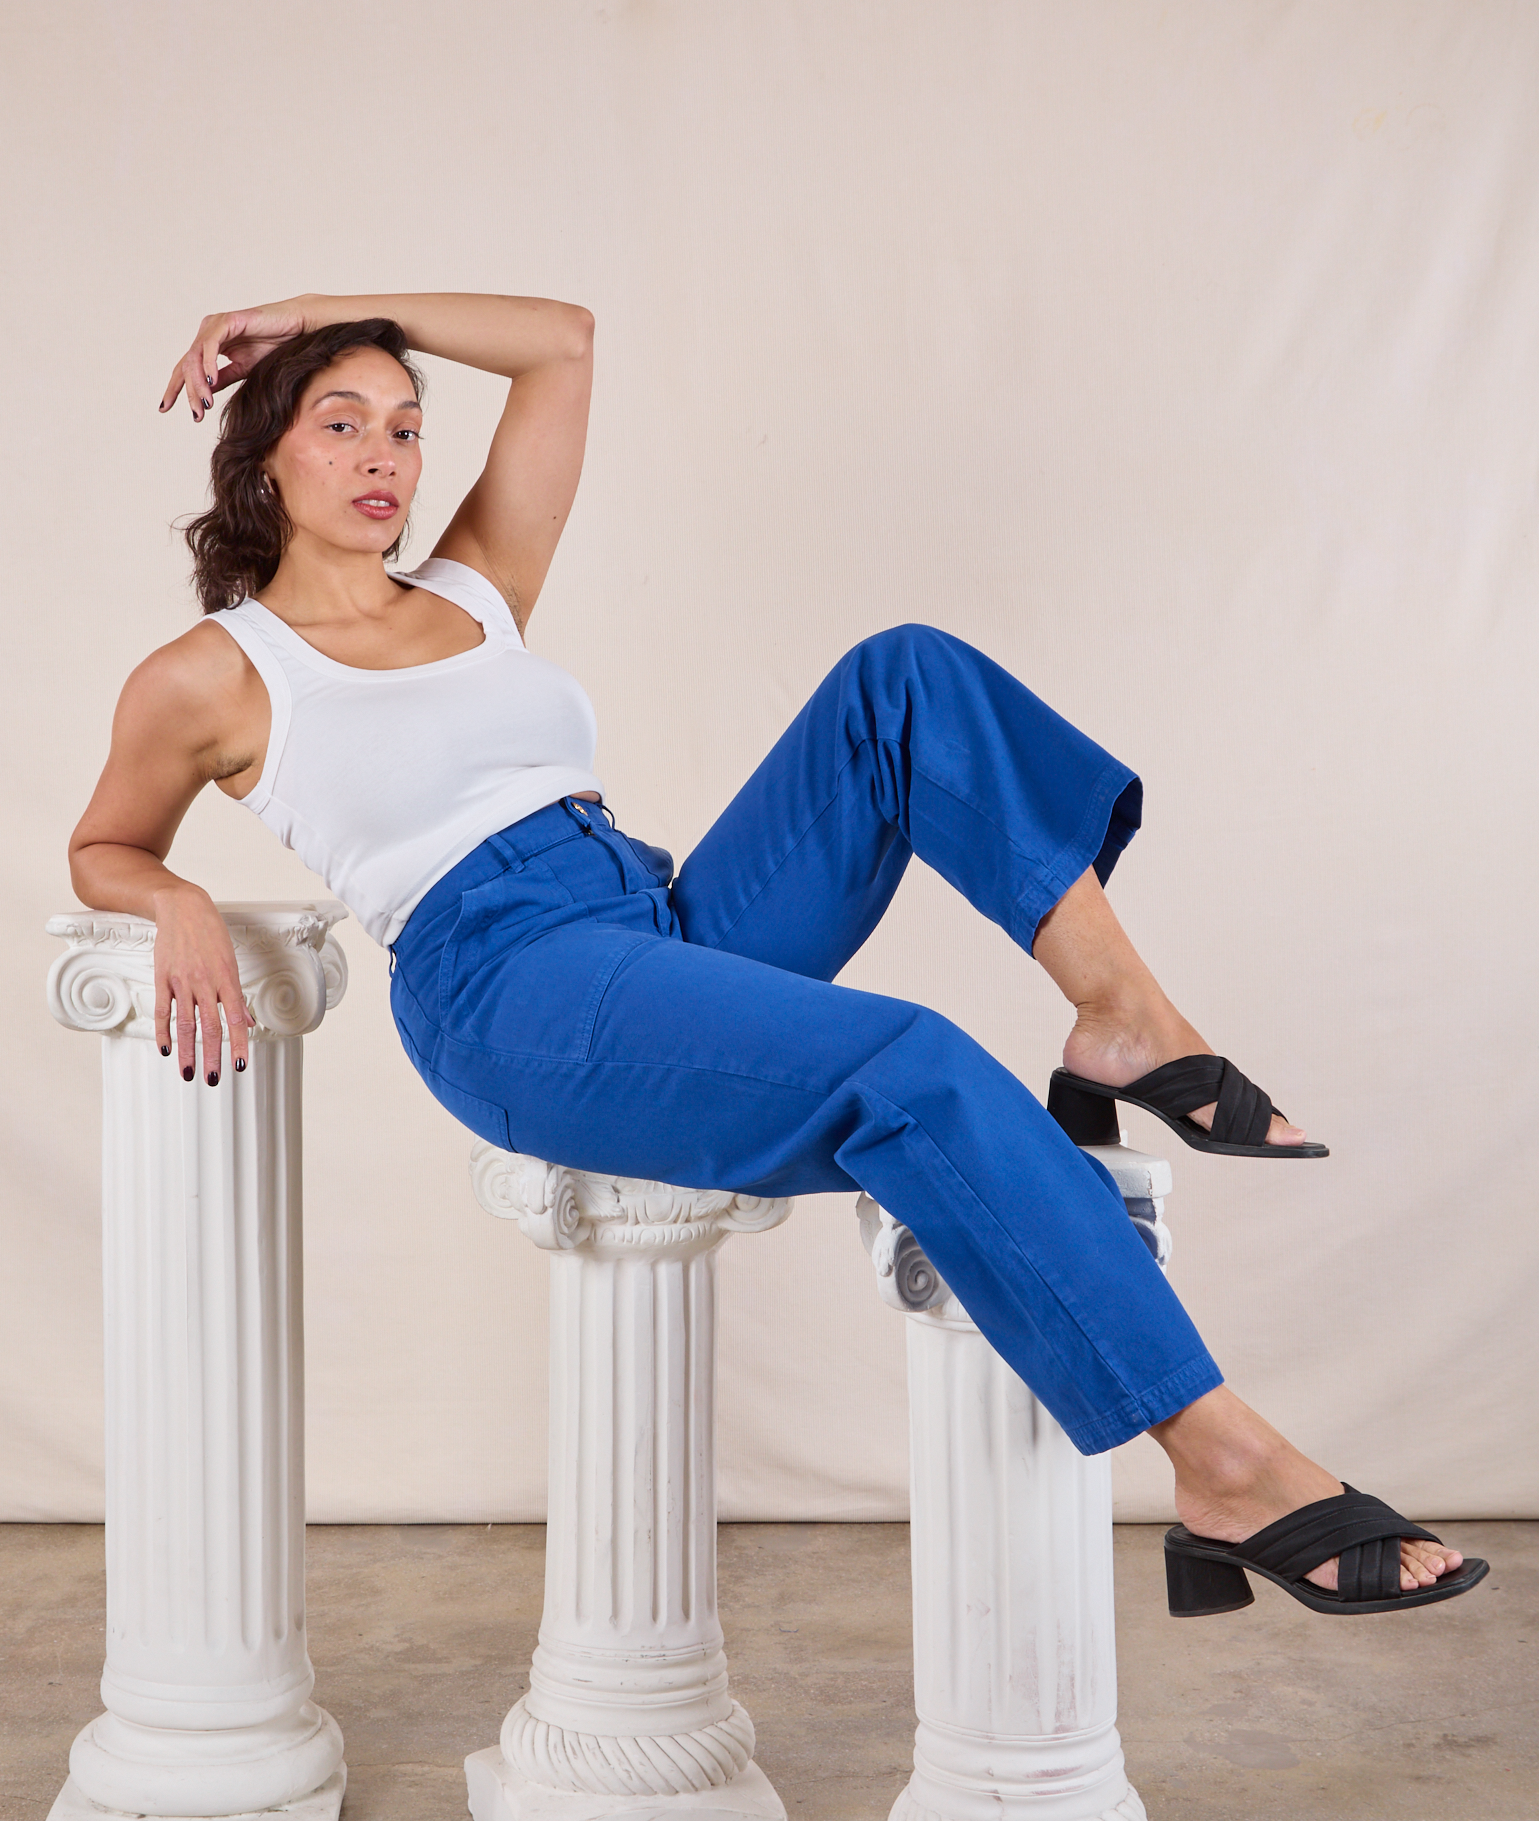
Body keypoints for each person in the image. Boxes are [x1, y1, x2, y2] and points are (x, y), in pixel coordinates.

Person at [68, 290, 1483, 1618]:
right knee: (913, 1058)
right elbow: (104, 844)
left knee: (903, 676)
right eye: (340, 421)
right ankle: (1220, 1460)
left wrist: (316, 312)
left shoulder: (476, 591)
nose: (387, 454)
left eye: (404, 424)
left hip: (654, 916)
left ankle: (1125, 1020)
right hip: (507, 986)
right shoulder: (217, 670)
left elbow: (561, 342)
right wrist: (174, 896)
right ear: (260, 455)